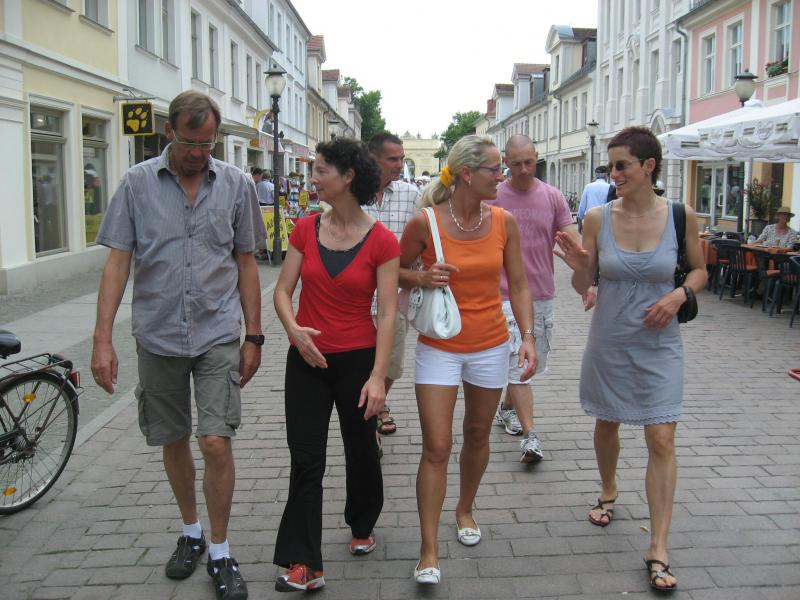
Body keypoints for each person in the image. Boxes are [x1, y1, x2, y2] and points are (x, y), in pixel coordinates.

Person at [91, 90, 265, 600]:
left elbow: (247, 262)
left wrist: (254, 336)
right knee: (173, 438)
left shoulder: (235, 184)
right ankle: (190, 531)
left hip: (216, 332)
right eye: (191, 143)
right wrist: (102, 339)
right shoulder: (136, 183)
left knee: (215, 440)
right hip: (158, 334)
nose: (199, 153)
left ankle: (220, 550)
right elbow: (117, 264)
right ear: (170, 131)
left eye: (208, 144)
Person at [554, 126, 707, 592]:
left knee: (661, 437)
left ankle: (658, 546)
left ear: (649, 166)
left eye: (621, 165)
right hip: (610, 339)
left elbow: (700, 271)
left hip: (660, 345)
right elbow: (583, 286)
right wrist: (581, 268)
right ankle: (608, 489)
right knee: (608, 421)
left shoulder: (681, 216)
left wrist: (679, 295)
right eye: (610, 166)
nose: (613, 174)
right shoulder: (597, 218)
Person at [399, 135, 537, 584]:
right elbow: (393, 270)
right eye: (495, 169)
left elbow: (519, 284)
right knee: (437, 446)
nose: (503, 175)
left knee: (477, 434)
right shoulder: (425, 222)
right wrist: (421, 276)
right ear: (466, 173)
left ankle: (464, 509)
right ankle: (428, 550)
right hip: (439, 347)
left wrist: (528, 337)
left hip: (491, 345)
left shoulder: (502, 221)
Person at [272, 138, 399, 592]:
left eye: (321, 170)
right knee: (306, 459)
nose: (314, 178)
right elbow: (282, 291)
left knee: (360, 450)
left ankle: (362, 522)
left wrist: (378, 377)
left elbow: (388, 313)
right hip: (306, 360)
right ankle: (305, 562)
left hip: (358, 361)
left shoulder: (382, 241)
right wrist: (294, 330)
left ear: (348, 177)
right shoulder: (305, 229)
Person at [484, 135, 576, 462]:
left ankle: (507, 407)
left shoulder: (552, 196)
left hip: (541, 293)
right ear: (505, 162)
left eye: (529, 162)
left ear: (537, 157)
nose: (523, 169)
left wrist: (585, 268)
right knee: (519, 362)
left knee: (530, 364)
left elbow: (572, 240)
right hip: (503, 294)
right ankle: (530, 436)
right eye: (516, 163)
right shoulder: (493, 196)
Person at [363, 132, 422, 447]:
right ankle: (368, 422)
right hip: (358, 299)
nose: (400, 165)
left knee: (392, 364)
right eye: (393, 159)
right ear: (373, 159)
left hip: (396, 299)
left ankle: (379, 401)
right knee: (362, 364)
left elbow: (424, 239)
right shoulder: (354, 193)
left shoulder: (411, 195)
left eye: (401, 158)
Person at [578, 165, 611, 232]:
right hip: (603, 221)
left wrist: (579, 224)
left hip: (589, 220)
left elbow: (582, 207)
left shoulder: (588, 187)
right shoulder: (610, 187)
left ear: (596, 175)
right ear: (606, 175)